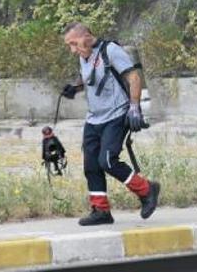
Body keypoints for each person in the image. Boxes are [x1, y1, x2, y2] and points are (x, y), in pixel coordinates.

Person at [61, 22, 161, 226]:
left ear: (86, 36)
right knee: (91, 165)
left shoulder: (111, 50)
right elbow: (88, 77)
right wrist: (75, 87)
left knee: (107, 160)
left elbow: (134, 77)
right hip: (94, 118)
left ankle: (147, 189)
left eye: (74, 43)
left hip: (117, 114)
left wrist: (134, 107)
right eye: (69, 46)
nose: (72, 50)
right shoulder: (84, 55)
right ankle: (101, 211)